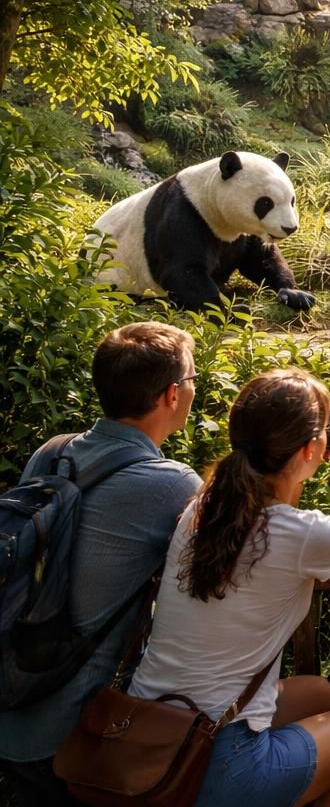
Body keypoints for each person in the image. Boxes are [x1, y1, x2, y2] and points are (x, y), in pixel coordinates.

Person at [126, 368, 330, 806]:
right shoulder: (305, 535)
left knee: (317, 693)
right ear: (313, 447)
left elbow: (269, 518)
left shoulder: (201, 510)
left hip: (148, 732)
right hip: (217, 760)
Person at [0, 322, 203, 806]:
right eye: (195, 378)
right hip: (73, 730)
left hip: (13, 701)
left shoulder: (52, 452)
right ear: (172, 395)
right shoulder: (171, 483)